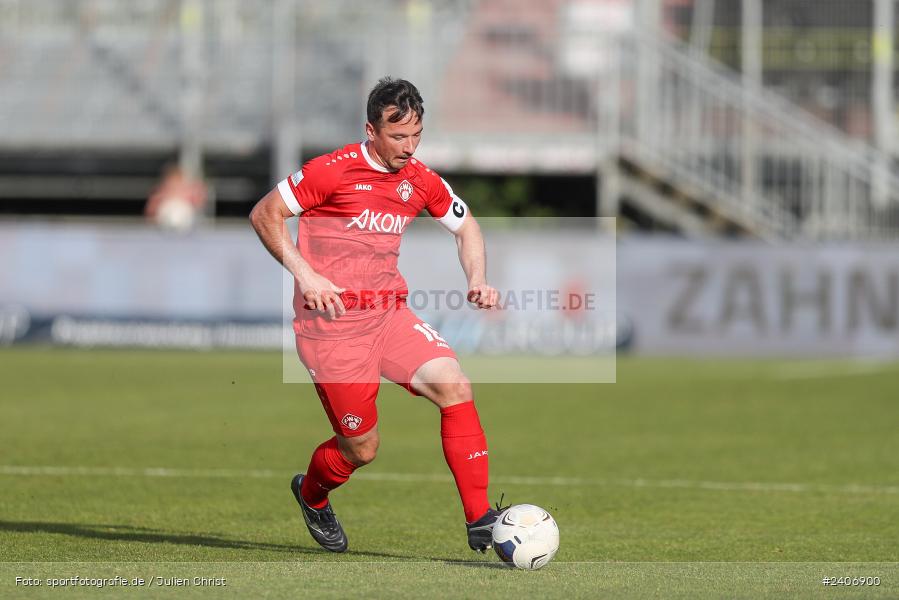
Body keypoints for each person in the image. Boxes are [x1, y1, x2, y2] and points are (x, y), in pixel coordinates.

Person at [250, 77, 502, 554]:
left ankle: (480, 520)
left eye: (416, 135)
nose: (409, 147)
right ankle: (312, 495)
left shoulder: (420, 180)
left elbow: (466, 226)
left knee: (455, 386)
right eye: (398, 136)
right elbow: (265, 214)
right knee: (361, 449)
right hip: (331, 331)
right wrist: (306, 275)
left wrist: (477, 278)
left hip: (388, 316)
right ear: (371, 130)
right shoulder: (331, 171)